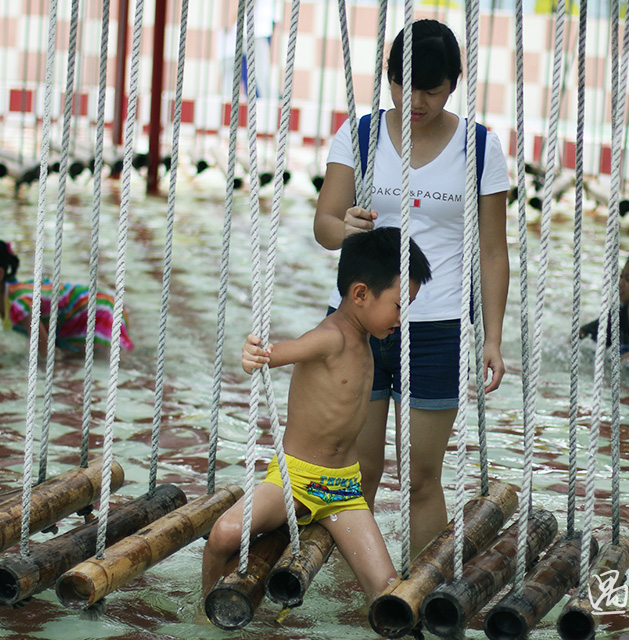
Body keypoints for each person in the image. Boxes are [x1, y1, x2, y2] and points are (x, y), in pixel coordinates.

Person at [312, 19, 510, 555]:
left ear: (453, 84)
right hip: (357, 325)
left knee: (422, 478)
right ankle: (352, 597)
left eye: (431, 88)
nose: (415, 99)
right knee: (359, 471)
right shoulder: (359, 134)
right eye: (403, 85)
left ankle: (420, 596)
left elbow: (493, 251)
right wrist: (346, 225)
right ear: (388, 77)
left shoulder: (479, 147)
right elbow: (324, 225)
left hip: (437, 327)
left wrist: (492, 338)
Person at [201, 227, 432, 606]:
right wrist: (253, 354)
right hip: (296, 480)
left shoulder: (367, 340)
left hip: (343, 490)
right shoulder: (331, 337)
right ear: (360, 294)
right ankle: (206, 607)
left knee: (387, 590)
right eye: (398, 306)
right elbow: (272, 355)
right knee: (225, 534)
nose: (403, 318)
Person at [0, 237, 133, 354]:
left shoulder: (18, 302)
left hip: (97, 310)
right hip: (71, 316)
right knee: (77, 356)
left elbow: (46, 354)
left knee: (109, 360)